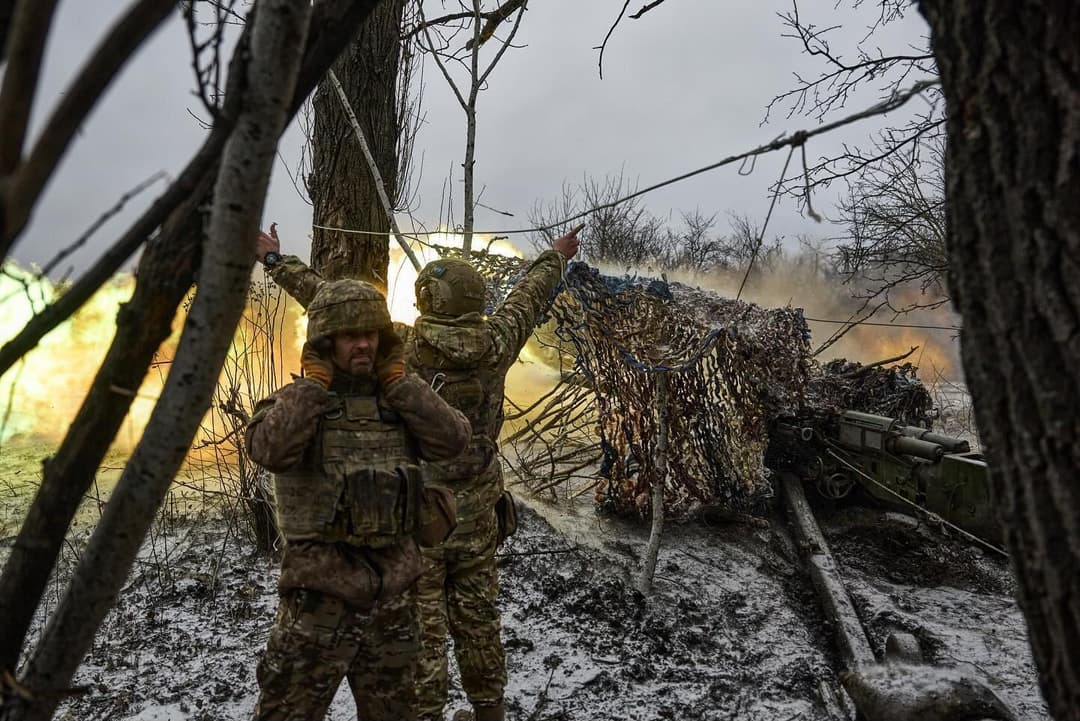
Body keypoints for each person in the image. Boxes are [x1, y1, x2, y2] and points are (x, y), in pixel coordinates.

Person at [255, 222, 583, 721]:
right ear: (472, 298)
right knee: (479, 624)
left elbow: (332, 302)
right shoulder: (496, 342)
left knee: (425, 638)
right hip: (477, 520)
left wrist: (277, 263)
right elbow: (529, 296)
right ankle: (489, 711)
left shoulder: (403, 347)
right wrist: (556, 257)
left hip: (419, 518)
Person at [246, 277, 470, 721]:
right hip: (318, 603)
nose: (363, 345)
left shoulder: (401, 401)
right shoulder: (300, 402)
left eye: (370, 334)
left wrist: (402, 385)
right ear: (327, 342)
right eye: (350, 336)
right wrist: (313, 387)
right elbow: (268, 449)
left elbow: (453, 441)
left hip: (393, 600)